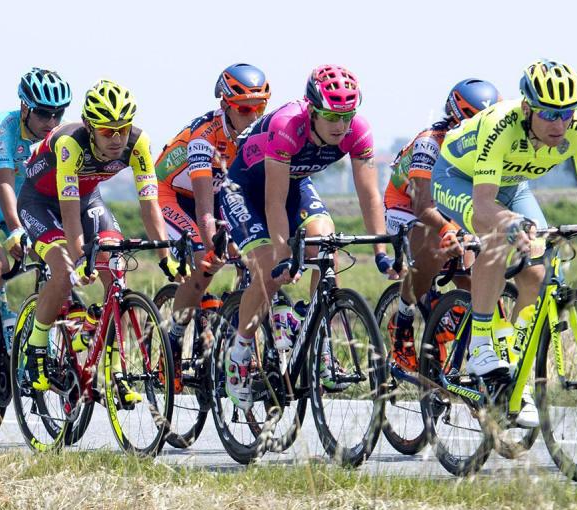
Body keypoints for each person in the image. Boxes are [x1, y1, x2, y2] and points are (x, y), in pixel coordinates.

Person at [431, 61, 577, 403]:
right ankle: (481, 344)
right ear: (528, 109)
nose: (559, 124)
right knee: (497, 239)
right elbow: (484, 204)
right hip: (459, 179)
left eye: (567, 113)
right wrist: (509, 223)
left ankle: (513, 368)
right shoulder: (501, 125)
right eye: (548, 114)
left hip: (513, 186)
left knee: (537, 271)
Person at [218, 65, 388, 383]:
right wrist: (284, 256)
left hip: (295, 182)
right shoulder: (287, 125)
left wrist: (381, 250)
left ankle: (317, 341)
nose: (341, 126)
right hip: (245, 189)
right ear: (312, 109)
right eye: (332, 116)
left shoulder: (358, 130)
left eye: (347, 116)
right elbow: (273, 202)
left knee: (327, 245)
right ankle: (239, 352)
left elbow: (370, 196)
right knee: (270, 268)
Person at [13, 79, 168, 390]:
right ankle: (37, 347)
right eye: (107, 131)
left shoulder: (138, 144)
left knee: (116, 274)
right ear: (88, 125)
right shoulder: (70, 143)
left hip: (87, 199)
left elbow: (150, 205)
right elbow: (68, 215)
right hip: (40, 203)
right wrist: (82, 256)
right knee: (64, 270)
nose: (116, 138)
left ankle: (111, 371)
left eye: (122, 129)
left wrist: (166, 257)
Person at [382, 79, 497, 371]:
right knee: (435, 248)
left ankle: (455, 325)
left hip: (446, 204)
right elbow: (422, 204)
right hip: (406, 205)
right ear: (456, 118)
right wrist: (449, 229)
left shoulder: (489, 147)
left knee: (471, 265)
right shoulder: (429, 143)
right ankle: (403, 323)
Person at [0, 68, 72, 342]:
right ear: (24, 107)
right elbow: (4, 183)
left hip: (18, 204)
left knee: (53, 258)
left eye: (58, 113)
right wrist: (16, 230)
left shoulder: (58, 136)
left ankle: (40, 339)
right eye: (43, 112)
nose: (51, 121)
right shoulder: (4, 126)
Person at [153, 63, 271, 328]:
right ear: (226, 104)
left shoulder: (260, 135)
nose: (253, 118)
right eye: (244, 109)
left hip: (216, 195)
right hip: (173, 195)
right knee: (204, 261)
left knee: (253, 253)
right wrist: (213, 248)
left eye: (260, 108)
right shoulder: (203, 138)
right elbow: (205, 212)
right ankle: (175, 335)